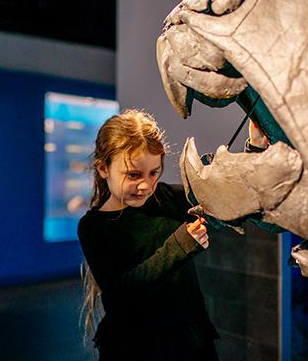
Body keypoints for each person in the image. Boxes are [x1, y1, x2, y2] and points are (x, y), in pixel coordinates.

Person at [78, 109, 219, 360]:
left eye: (153, 172)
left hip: (190, 341)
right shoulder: (93, 227)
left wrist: (255, 147)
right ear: (103, 168)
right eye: (133, 175)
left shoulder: (164, 196)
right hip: (137, 348)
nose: (146, 185)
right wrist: (179, 245)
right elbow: (120, 295)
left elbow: (218, 191)